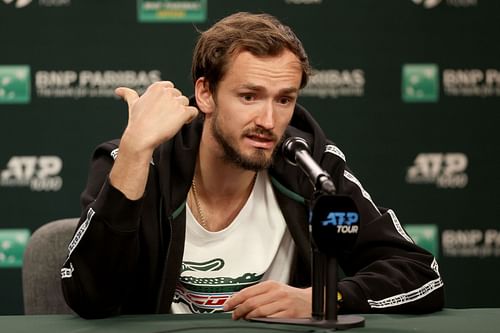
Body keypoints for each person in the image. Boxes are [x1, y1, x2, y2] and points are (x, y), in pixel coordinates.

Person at [61, 12, 444, 319]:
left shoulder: (311, 169)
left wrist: (326, 297)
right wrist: (134, 153)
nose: (268, 120)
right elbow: (89, 298)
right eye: (249, 96)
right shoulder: (140, 162)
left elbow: (418, 273)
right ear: (205, 94)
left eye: (283, 100)